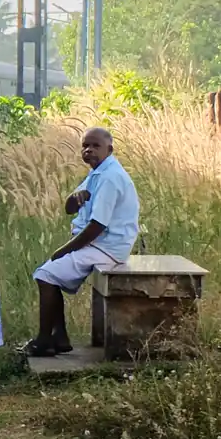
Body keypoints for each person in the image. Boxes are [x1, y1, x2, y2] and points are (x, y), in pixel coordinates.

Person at [25, 126, 140, 356]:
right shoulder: (97, 173)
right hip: (99, 244)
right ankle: (59, 337)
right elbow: (69, 208)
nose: (89, 150)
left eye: (95, 146)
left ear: (110, 149)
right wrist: (74, 199)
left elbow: (97, 226)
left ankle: (45, 340)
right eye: (85, 146)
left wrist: (63, 250)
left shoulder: (110, 177)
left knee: (45, 275)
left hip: (107, 247)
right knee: (49, 274)